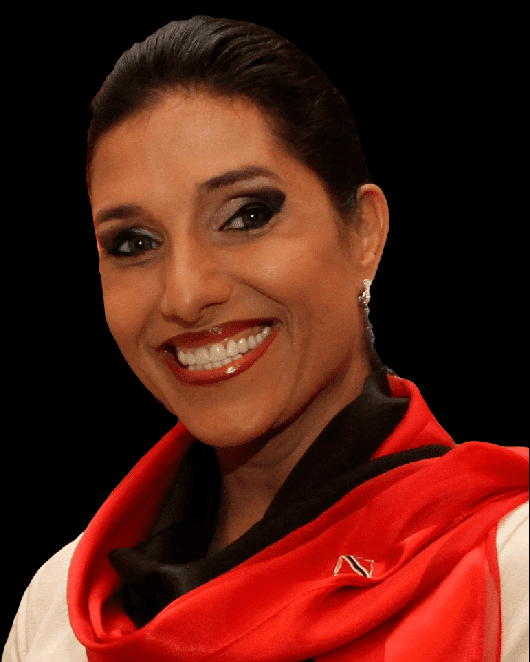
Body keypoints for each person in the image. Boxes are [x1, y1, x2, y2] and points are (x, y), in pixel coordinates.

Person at [4, 16, 528, 662]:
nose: (186, 294)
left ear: (362, 232)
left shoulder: (510, 569)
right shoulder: (62, 611)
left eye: (246, 216)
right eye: (134, 243)